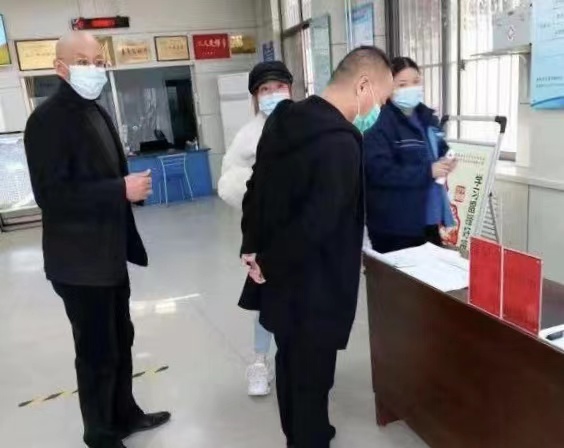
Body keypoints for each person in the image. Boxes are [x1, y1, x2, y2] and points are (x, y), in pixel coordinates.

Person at [239, 46, 393, 448]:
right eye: (381, 98)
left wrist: (255, 251)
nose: (378, 109)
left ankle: (306, 431)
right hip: (316, 285)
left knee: (290, 364)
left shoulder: (283, 118)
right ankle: (307, 439)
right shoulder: (342, 142)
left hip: (278, 279)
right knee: (312, 376)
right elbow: (318, 225)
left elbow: (256, 188)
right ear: (363, 86)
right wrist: (269, 261)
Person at [24, 31, 170, 448]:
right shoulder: (46, 120)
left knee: (121, 340)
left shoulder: (97, 111)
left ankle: (125, 415)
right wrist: (118, 189)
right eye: (84, 61)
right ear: (60, 67)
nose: (95, 69)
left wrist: (125, 190)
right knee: (95, 352)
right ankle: (100, 434)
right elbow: (51, 195)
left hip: (108, 255)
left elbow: (103, 173)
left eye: (99, 61)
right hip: (78, 262)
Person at [218, 61, 294, 397]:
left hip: (305, 230)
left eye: (279, 87)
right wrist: (261, 191)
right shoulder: (248, 135)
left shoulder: (307, 124)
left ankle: (296, 360)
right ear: (255, 97)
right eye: (265, 89)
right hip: (266, 235)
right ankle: (260, 362)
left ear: (291, 89)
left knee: (302, 299)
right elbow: (229, 183)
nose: (273, 94)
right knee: (266, 299)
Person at [364, 56, 457, 253]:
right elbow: (380, 172)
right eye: (402, 84)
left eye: (416, 82)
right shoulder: (379, 122)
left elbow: (440, 147)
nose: (411, 88)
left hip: (428, 218)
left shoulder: (426, 117)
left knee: (431, 271)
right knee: (400, 274)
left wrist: (448, 158)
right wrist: (428, 171)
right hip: (395, 225)